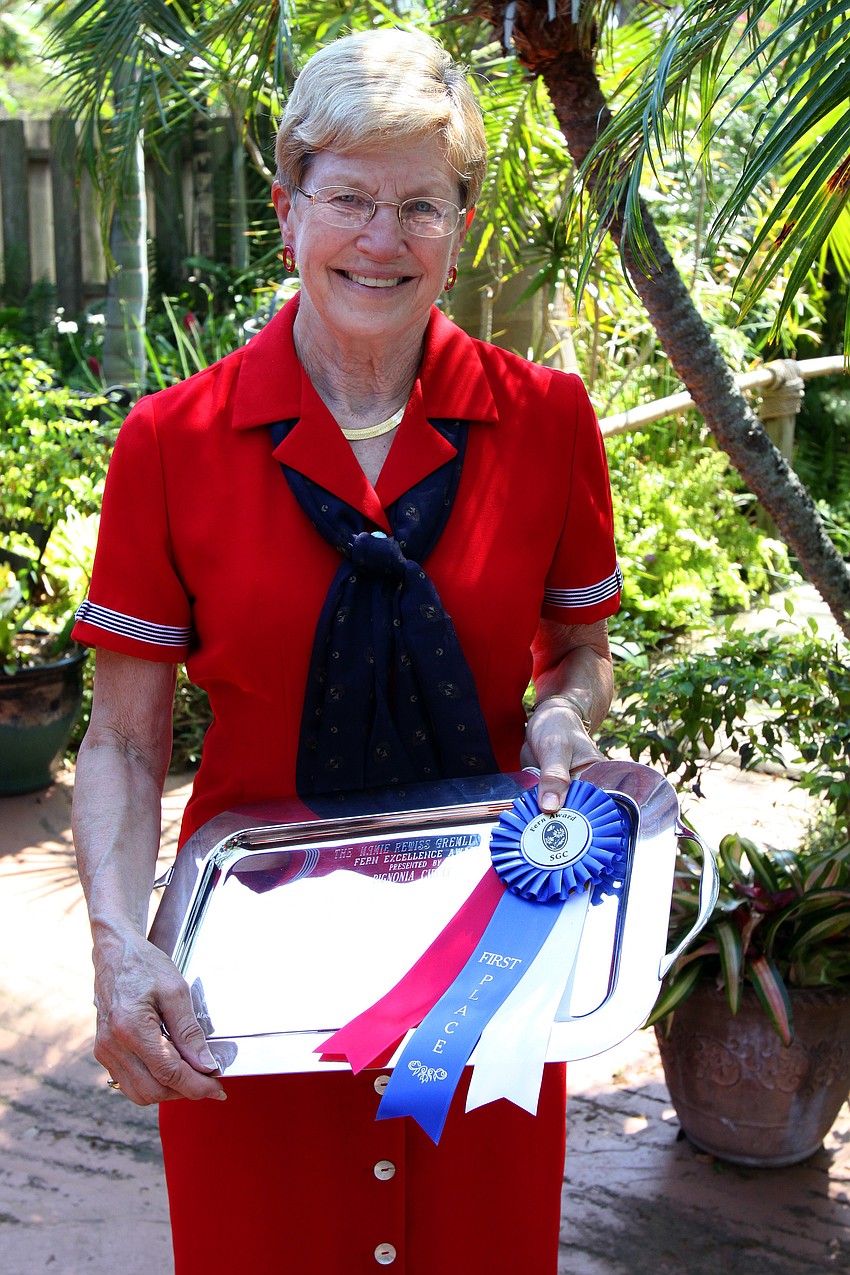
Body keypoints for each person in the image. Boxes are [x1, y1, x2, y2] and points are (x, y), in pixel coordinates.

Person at [71, 27, 622, 1275]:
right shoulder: (173, 442)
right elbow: (117, 737)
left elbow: (575, 651)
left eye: (420, 204)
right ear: (288, 211)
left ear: (460, 224)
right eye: (351, 199)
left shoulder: (545, 421)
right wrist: (117, 940)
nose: (383, 240)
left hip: (486, 962)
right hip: (249, 973)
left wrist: (562, 716)